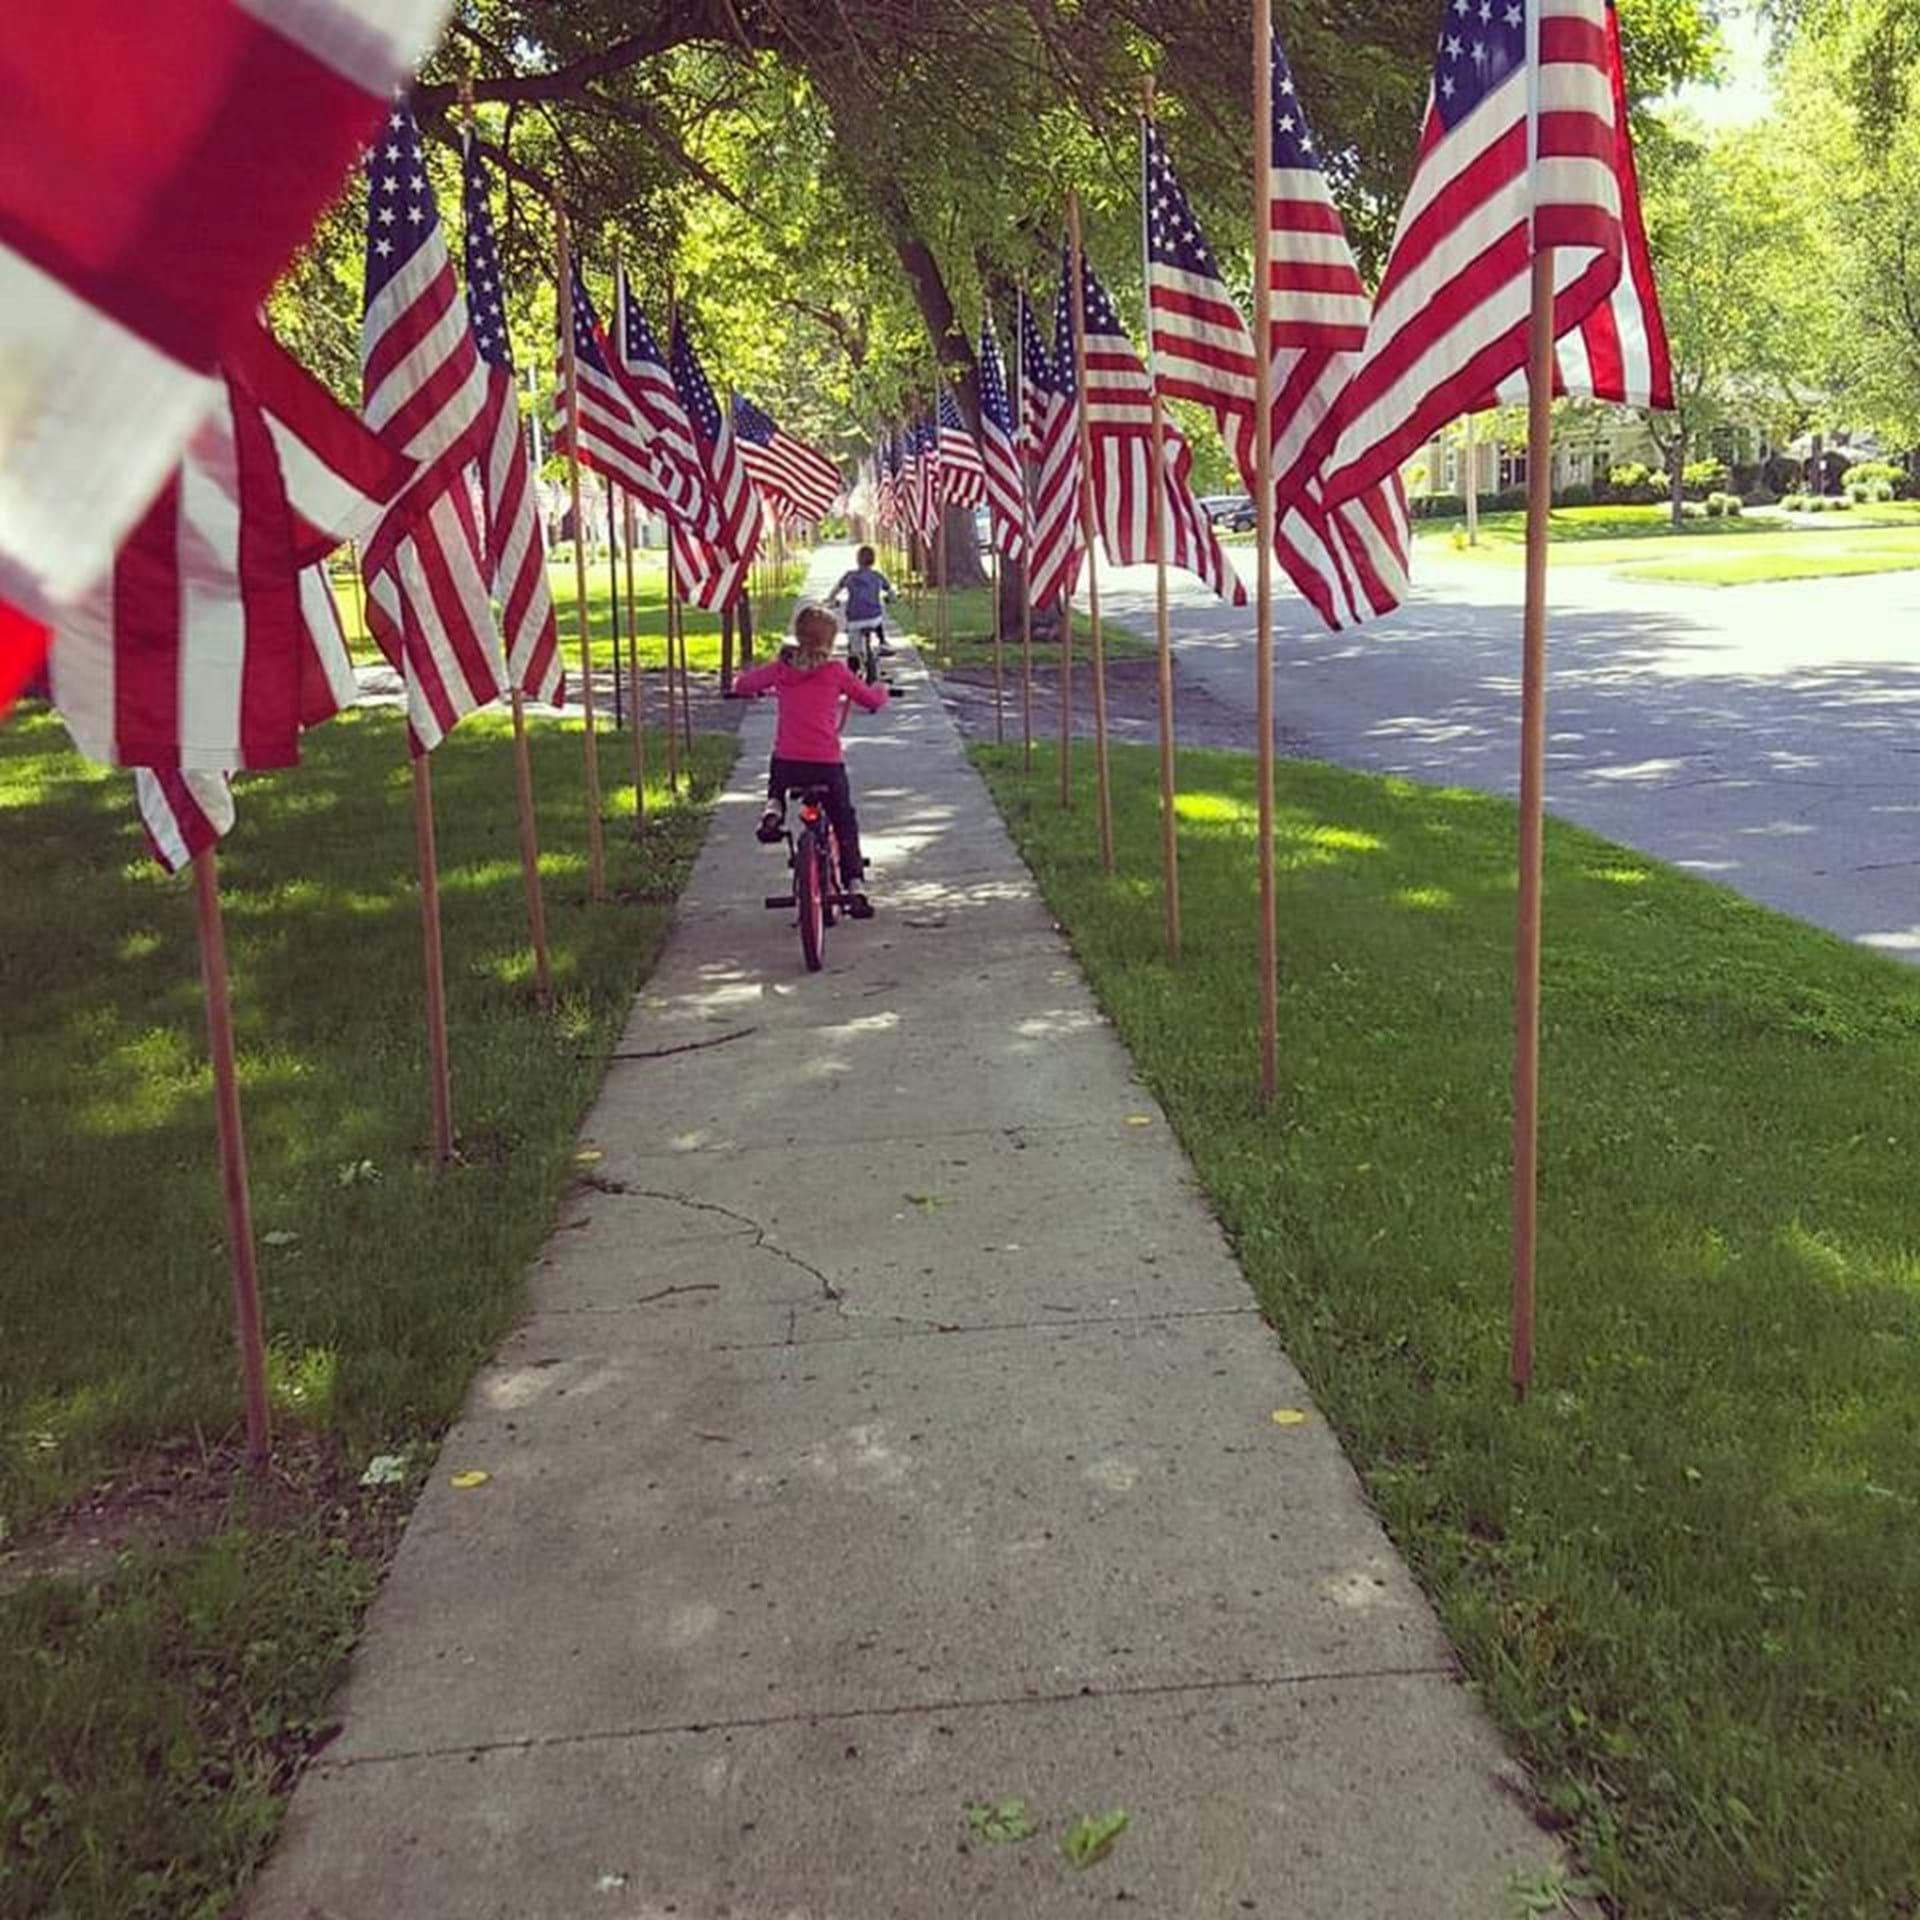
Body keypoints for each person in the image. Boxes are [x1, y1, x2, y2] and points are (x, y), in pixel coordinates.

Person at [731, 603, 889, 918]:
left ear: (797, 635)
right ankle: (855, 883)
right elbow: (870, 700)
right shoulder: (836, 672)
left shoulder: (781, 669)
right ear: (830, 641)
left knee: (778, 775)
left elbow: (742, 685)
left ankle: (773, 808)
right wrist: (881, 689)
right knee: (845, 822)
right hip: (826, 765)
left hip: (789, 763)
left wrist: (744, 684)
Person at [829, 545, 895, 675]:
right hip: (874, 619)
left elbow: (835, 591)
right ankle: (882, 641)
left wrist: (830, 600)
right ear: (873, 560)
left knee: (852, 649)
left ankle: (852, 674)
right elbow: (891, 591)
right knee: (878, 615)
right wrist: (891, 598)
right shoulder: (877, 576)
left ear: (857, 560)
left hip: (855, 619)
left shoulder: (849, 576)